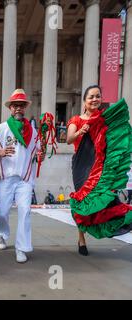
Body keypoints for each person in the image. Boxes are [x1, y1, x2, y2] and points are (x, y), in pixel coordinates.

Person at [66, 85, 132, 256]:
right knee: (82, 201)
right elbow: (68, 139)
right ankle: (81, 239)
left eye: (98, 96)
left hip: (101, 165)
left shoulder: (105, 120)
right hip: (82, 165)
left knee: (106, 199)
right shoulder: (76, 119)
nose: (95, 99)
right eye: (91, 97)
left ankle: (118, 221)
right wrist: (81, 131)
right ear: (85, 101)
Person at [0, 89, 44, 263]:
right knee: (2, 212)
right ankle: (1, 234)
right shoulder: (2, 128)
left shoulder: (32, 131)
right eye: (15, 105)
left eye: (21, 105)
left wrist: (38, 156)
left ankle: (21, 247)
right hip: (5, 178)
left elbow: (36, 151)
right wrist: (1, 152)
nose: (18, 108)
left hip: (24, 179)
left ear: (25, 108)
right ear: (10, 108)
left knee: (25, 212)